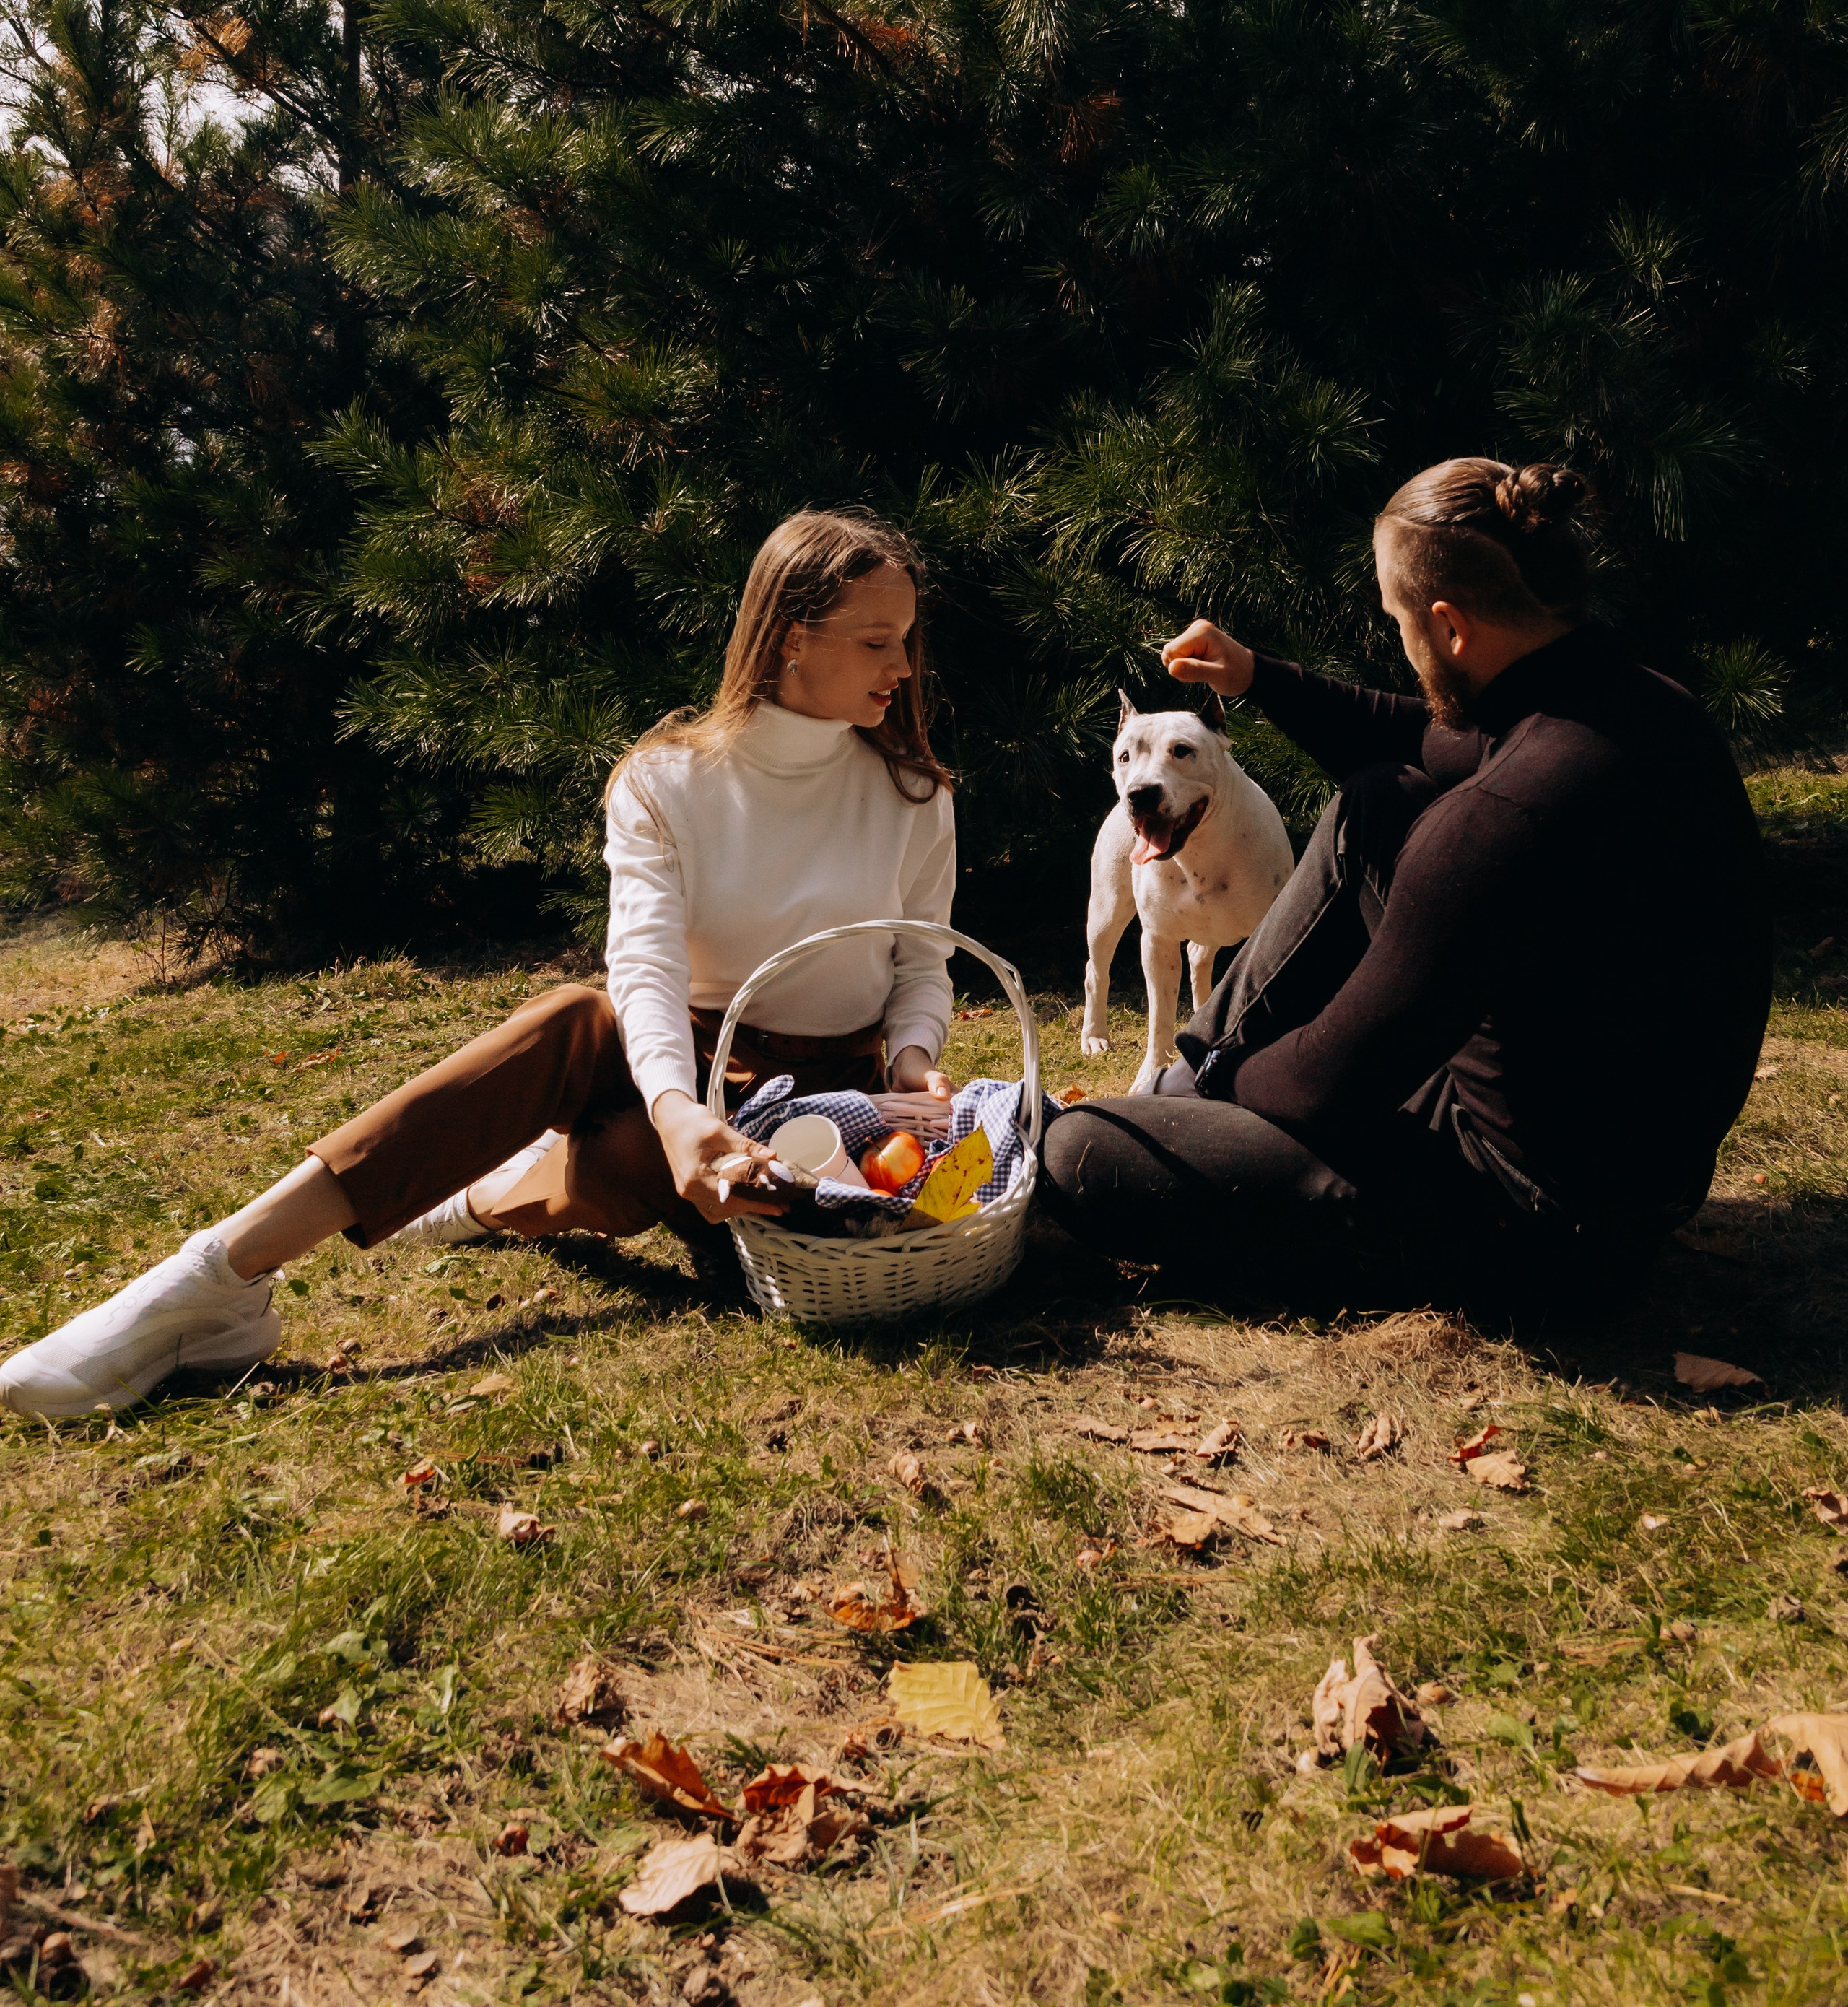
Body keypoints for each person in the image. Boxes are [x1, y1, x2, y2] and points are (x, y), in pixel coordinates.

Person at [1, 512, 959, 1420]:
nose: (905, 666)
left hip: (820, 1113)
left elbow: (920, 963)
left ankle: (483, 1195)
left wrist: (914, 1058)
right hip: (683, 1063)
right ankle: (212, 1279)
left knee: (611, 1159)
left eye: (909, 638)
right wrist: (678, 1111)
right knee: (575, 1017)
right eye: (877, 640)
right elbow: (646, 968)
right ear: (792, 633)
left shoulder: (913, 795)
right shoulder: (668, 781)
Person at [1040, 460, 1771, 1309]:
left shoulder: (1498, 818)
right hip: (1633, 1144)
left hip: (1538, 1220)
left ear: (1450, 629)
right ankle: (1197, 1075)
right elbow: (1414, 737)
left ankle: (1194, 1087)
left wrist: (1221, 1096)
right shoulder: (1629, 706)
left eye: (1396, 620)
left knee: (1082, 1149)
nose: (1397, 640)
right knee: (1379, 799)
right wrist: (1254, 676)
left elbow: (1321, 1081)